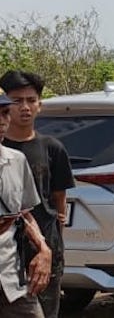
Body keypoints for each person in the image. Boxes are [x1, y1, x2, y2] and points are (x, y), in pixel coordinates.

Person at [0, 71, 73, 318]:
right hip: (10, 256)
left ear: (40, 104)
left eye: (31, 100)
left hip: (33, 255)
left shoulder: (46, 150)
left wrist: (48, 248)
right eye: (16, 101)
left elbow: (54, 203)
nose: (24, 107)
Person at [0, 90, 52, 318]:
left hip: (10, 276)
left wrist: (43, 249)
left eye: (4, 113)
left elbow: (24, 214)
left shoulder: (16, 161)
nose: (2, 121)